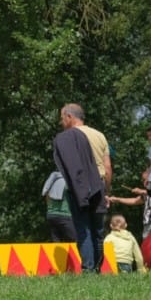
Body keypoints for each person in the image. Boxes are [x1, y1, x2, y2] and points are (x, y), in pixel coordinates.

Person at [53, 103, 108, 272]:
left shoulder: (69, 137)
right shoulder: (99, 135)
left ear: (70, 117)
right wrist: (107, 190)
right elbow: (107, 166)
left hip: (80, 187)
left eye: (62, 118)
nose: (61, 122)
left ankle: (88, 269)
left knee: (84, 229)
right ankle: (97, 268)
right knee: (98, 231)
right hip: (99, 185)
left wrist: (79, 191)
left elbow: (73, 166)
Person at [41, 171, 77, 244]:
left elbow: (46, 195)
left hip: (51, 215)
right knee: (75, 241)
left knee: (57, 243)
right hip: (65, 215)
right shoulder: (67, 182)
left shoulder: (52, 181)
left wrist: (50, 208)